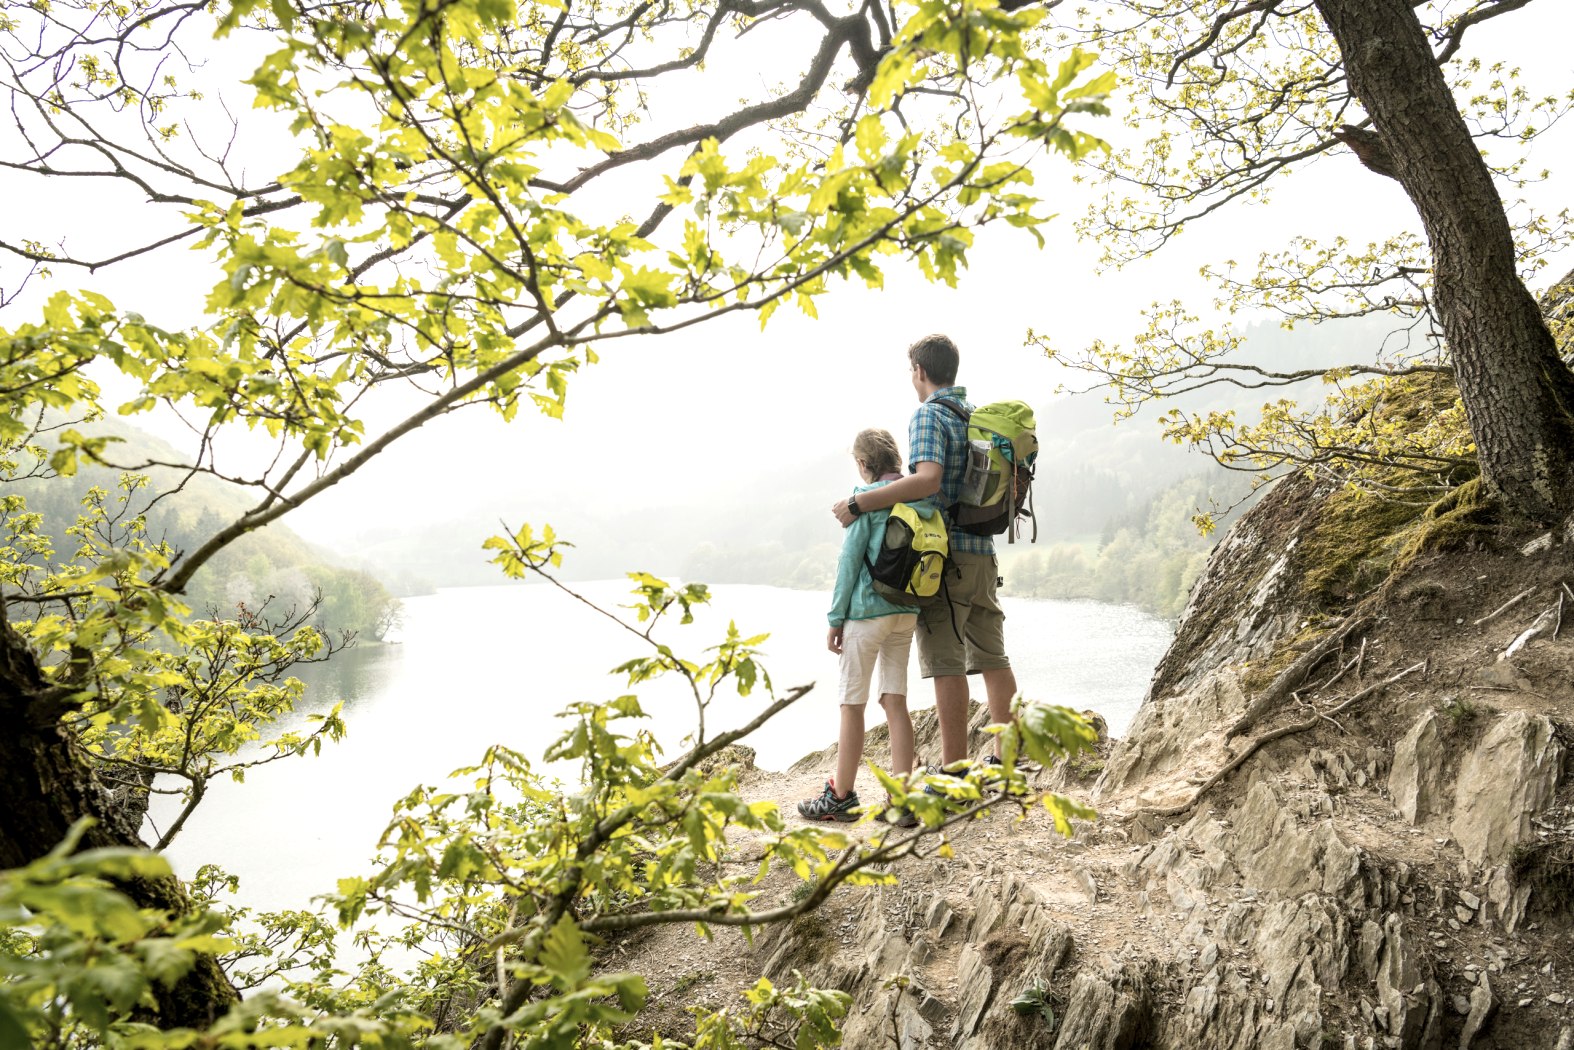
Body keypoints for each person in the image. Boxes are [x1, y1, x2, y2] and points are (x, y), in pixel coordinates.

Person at [831, 334, 1018, 774]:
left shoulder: (929, 415)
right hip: (983, 553)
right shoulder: (974, 416)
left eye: (910, 370)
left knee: (945, 661)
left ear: (919, 371)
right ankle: (1004, 760)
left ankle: (953, 771)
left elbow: (928, 480)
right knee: (993, 656)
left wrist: (861, 502)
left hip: (946, 558)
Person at [797, 428, 919, 826]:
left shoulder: (865, 501)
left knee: (852, 705)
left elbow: (849, 563)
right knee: (895, 701)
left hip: (867, 614)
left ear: (864, 465)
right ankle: (900, 800)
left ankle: (841, 796)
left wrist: (836, 619)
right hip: (907, 611)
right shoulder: (918, 493)